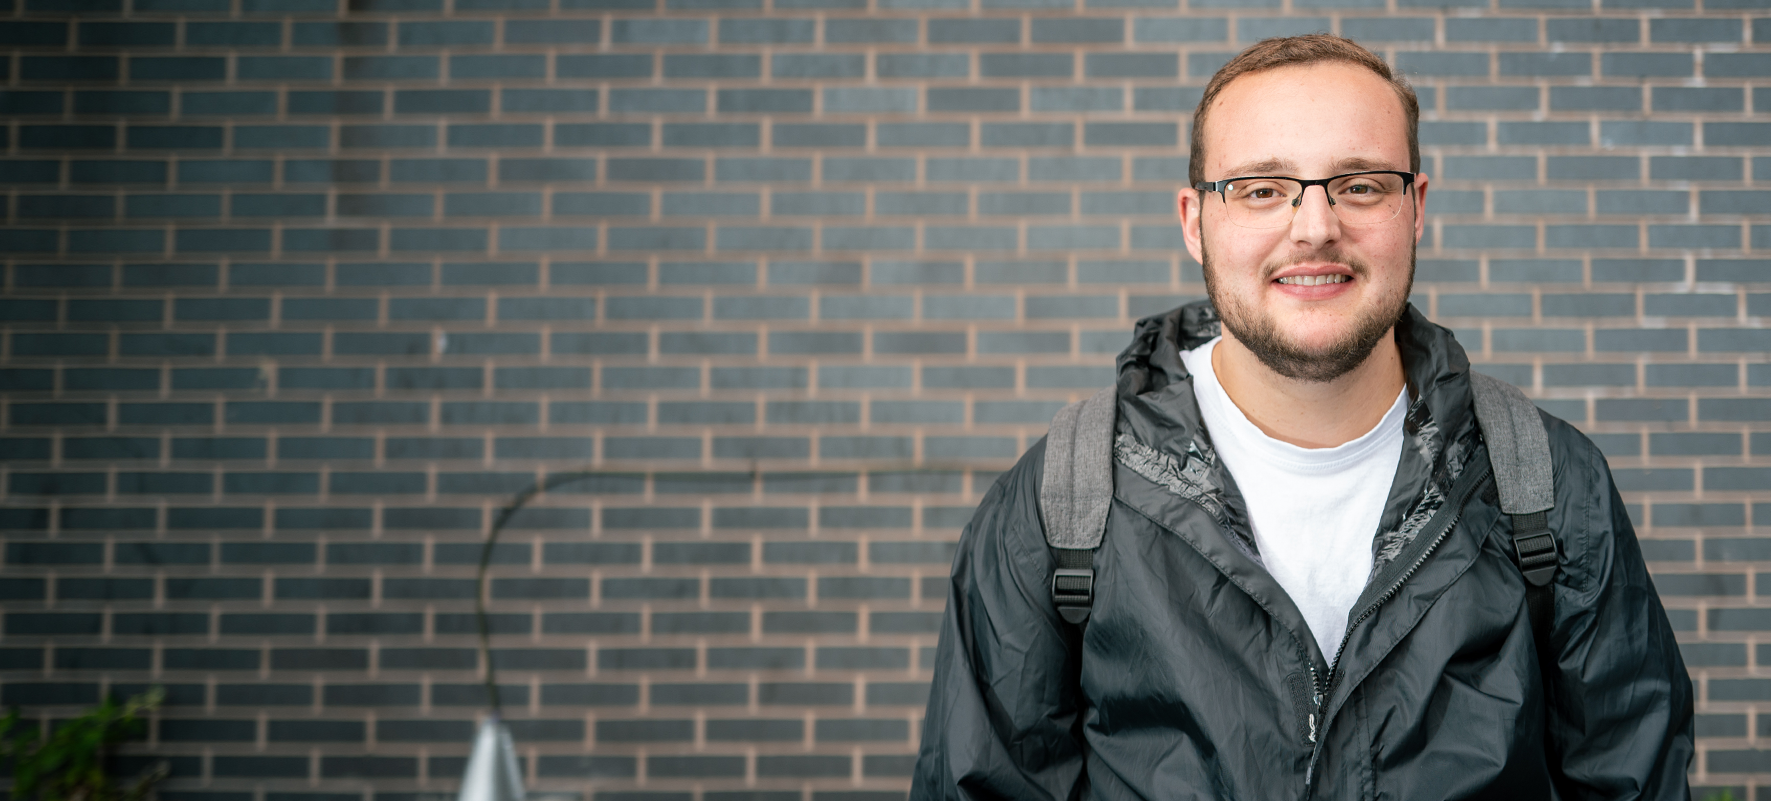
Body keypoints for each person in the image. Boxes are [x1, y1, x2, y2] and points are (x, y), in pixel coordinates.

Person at [911, 35, 1692, 799]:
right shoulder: (1060, 502)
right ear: (1194, 221)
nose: (1315, 226)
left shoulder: (1547, 484)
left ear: (1414, 208)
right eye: (1260, 188)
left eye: (1358, 185)